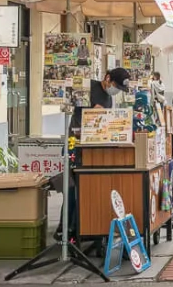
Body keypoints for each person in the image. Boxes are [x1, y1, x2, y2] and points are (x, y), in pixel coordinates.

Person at [58, 68, 130, 240]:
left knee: (86, 187)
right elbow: (72, 107)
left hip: (92, 148)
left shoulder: (109, 99)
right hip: (74, 143)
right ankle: (65, 228)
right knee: (72, 187)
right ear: (107, 78)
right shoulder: (89, 87)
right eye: (115, 85)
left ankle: (82, 227)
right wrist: (89, 111)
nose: (116, 90)